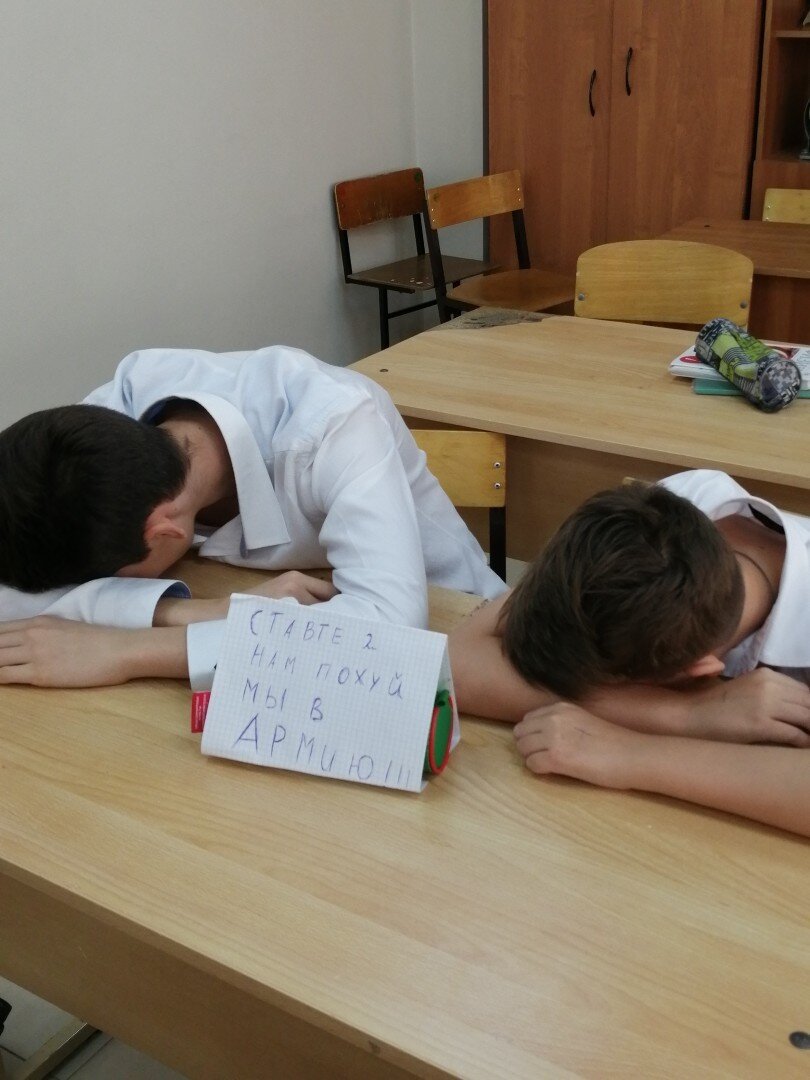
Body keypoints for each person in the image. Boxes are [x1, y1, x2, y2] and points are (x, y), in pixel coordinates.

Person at [0, 344, 505, 688]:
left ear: (163, 532)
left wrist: (127, 652)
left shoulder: (334, 424)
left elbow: (388, 632)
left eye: (117, 576)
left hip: (462, 636)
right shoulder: (123, 409)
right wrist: (184, 611)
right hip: (272, 622)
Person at [454, 469, 810, 836]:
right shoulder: (665, 514)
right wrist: (686, 714)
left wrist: (631, 753)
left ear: (700, 668)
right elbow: (457, 664)